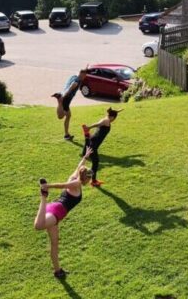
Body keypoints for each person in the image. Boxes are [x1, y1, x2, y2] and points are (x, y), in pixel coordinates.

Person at [34, 148, 93, 279]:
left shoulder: (75, 176)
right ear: (85, 179)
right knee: (38, 225)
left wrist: (85, 156)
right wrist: (47, 186)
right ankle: (43, 197)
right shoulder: (76, 183)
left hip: (55, 208)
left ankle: (58, 271)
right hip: (57, 210)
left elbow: (79, 167)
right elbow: (62, 185)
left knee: (54, 242)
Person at [81, 107, 123, 187]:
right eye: (114, 119)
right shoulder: (106, 121)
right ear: (112, 117)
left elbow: (111, 114)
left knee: (91, 160)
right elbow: (98, 124)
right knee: (95, 164)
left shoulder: (107, 118)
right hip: (93, 145)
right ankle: (93, 181)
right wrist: (89, 127)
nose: (114, 120)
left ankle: (86, 135)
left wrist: (117, 111)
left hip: (92, 142)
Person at [52, 69, 88, 140]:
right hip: (66, 98)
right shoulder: (77, 81)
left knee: (68, 116)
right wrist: (64, 95)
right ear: (82, 74)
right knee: (61, 117)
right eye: (85, 75)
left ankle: (66, 135)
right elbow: (73, 85)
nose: (85, 77)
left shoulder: (74, 76)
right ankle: (59, 100)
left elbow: (77, 75)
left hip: (64, 96)